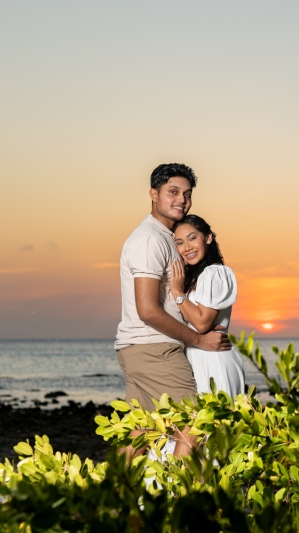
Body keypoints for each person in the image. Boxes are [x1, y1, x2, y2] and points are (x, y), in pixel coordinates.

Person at [115, 163, 231, 459]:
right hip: (155, 349)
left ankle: (115, 490)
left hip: (139, 348)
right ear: (154, 194)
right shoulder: (150, 239)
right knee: (196, 423)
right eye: (173, 192)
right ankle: (180, 488)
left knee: (140, 434)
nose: (182, 200)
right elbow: (147, 310)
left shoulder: (165, 237)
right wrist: (199, 340)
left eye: (187, 194)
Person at [169, 215, 245, 397]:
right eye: (180, 243)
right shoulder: (196, 277)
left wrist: (177, 291)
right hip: (199, 358)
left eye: (192, 238)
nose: (187, 247)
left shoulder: (214, 273)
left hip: (214, 360)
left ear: (208, 237)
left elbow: (202, 323)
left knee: (219, 414)